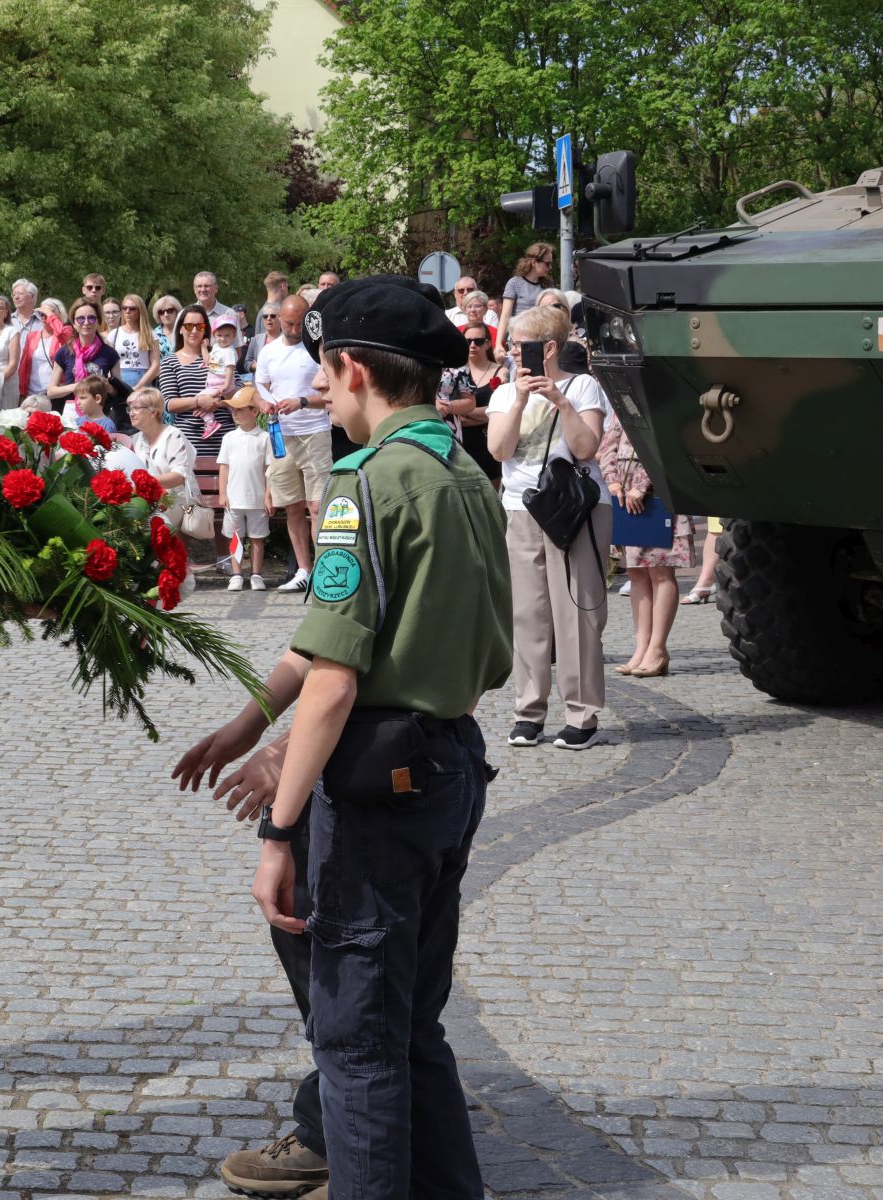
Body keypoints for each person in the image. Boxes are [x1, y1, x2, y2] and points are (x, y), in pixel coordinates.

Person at [179, 277, 510, 1200]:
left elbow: (334, 677)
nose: (319, 389)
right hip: (446, 764)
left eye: (325, 372)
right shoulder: (460, 470)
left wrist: (279, 832)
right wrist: (246, 721)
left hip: (378, 789)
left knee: (357, 1045)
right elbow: (337, 638)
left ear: (355, 368)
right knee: (411, 1032)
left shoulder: (366, 483)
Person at [487, 302, 611, 750]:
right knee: (527, 615)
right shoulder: (504, 393)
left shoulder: (583, 387)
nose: (514, 353)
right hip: (521, 509)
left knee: (577, 611)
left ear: (550, 347)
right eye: (514, 346)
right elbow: (499, 451)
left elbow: (586, 449)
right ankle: (529, 712)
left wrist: (559, 399)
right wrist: (521, 397)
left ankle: (582, 714)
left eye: (522, 346)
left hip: (573, 510)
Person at [599, 415, 689, 678]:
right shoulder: (622, 402)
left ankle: (657, 648)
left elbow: (665, 445)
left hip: (658, 491)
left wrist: (641, 485)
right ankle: (641, 648)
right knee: (637, 573)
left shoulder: (659, 400)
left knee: (661, 572)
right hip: (624, 494)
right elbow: (608, 446)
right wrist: (613, 480)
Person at [256, 294, 330, 593]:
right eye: (289, 323)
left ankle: (325, 570)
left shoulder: (318, 350)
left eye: (300, 323)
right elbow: (258, 389)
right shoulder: (268, 352)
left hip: (315, 432)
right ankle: (303, 569)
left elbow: (329, 397)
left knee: (317, 505)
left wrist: (302, 401)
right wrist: (264, 404)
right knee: (293, 506)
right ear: (279, 319)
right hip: (280, 435)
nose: (295, 328)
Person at [218, 386, 271, 590]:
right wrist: (223, 493)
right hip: (234, 498)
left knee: (257, 538)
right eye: (234, 409)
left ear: (254, 411)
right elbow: (224, 467)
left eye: (240, 409)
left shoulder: (264, 438)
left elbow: (269, 470)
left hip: (257, 498)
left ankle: (256, 574)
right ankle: (237, 574)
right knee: (236, 537)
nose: (235, 413)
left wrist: (268, 496)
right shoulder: (229, 438)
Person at [438, 320, 503, 484]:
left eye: (478, 341)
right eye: (468, 341)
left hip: (476, 438)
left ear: (488, 344)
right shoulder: (420, 361)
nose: (473, 345)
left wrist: (448, 408)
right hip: (441, 429)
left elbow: (497, 411)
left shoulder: (459, 367)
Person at [161, 304, 230, 456]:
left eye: (199, 326)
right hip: (189, 441)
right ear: (180, 329)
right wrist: (199, 401)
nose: (194, 331)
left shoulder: (220, 355)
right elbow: (169, 404)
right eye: (189, 326)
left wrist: (219, 401)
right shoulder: (169, 362)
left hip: (225, 441)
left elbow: (238, 390)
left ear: (206, 330)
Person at [128, 385, 197, 527]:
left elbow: (178, 476)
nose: (131, 413)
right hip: (148, 498)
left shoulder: (173, 435)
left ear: (153, 412)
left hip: (176, 499)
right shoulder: (134, 439)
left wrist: (146, 483)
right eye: (129, 409)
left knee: (150, 519)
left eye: (136, 408)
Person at [46, 298, 120, 415]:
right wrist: (77, 387)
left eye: (91, 318)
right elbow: (51, 391)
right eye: (80, 319)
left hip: (100, 414)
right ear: (74, 324)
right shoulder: (64, 352)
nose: (86, 323)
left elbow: (118, 393)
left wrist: (108, 387)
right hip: (71, 413)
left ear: (98, 322)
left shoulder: (110, 353)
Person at [495, 243, 553, 354]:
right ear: (534, 262)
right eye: (547, 264)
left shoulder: (548, 285)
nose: (549, 267)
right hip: (518, 342)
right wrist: (498, 344)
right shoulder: (514, 283)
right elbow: (505, 316)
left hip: (541, 341)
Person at [109, 293, 159, 393]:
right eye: (124, 308)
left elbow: (155, 364)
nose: (127, 311)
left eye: (132, 308)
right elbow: (109, 362)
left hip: (143, 379)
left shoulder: (150, 334)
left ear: (140, 311)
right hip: (119, 379)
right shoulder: (113, 334)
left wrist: (138, 386)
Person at [203, 311, 243, 396]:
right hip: (213, 384)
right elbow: (208, 362)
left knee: (202, 398)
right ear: (214, 335)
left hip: (223, 384)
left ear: (233, 335)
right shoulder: (216, 347)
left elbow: (230, 369)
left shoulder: (229, 351)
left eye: (227, 335)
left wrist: (226, 385)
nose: (223, 338)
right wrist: (203, 348)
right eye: (219, 335)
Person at [256, 271, 290, 338]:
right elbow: (268, 342)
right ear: (283, 286)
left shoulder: (263, 312)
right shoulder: (268, 314)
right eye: (287, 287)